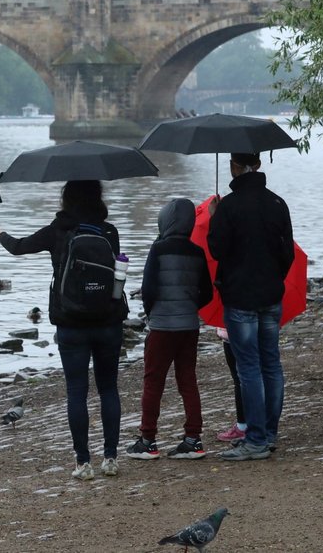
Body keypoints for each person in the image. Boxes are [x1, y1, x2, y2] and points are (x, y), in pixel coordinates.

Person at [0, 180, 127, 480]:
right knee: (108, 389)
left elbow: (19, 247)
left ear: (67, 198)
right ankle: (111, 458)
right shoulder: (110, 231)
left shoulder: (58, 230)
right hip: (108, 320)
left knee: (77, 392)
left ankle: (83, 463)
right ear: (98, 197)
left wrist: (0, 234)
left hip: (71, 322)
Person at [207, 152, 294, 461]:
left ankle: (255, 439)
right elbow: (288, 254)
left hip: (241, 298)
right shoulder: (277, 203)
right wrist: (274, 279)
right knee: (271, 364)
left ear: (234, 166)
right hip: (272, 297)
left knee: (249, 368)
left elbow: (216, 249)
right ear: (257, 165)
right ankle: (268, 434)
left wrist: (216, 217)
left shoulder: (229, 206)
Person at [126, 198, 213, 461]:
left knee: (153, 382)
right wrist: (189, 307)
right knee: (188, 380)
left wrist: (153, 314)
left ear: (165, 221)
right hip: (189, 326)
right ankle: (193, 440)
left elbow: (149, 288)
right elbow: (207, 293)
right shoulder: (197, 252)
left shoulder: (159, 248)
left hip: (163, 327)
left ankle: (148, 441)